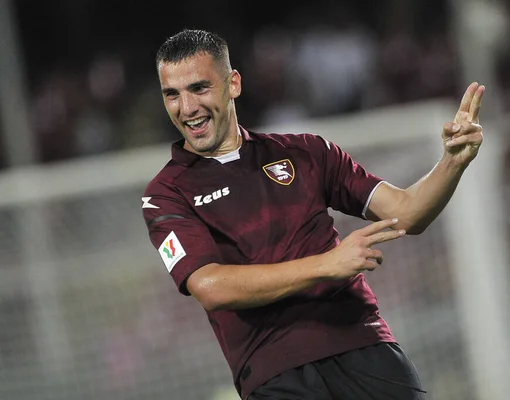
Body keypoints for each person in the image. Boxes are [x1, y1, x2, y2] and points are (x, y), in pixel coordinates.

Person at [142, 29, 485, 400]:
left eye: (199, 88)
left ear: (233, 84)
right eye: (172, 95)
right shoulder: (166, 194)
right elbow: (210, 287)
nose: (187, 107)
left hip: (364, 348)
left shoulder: (307, 153)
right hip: (276, 376)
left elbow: (407, 214)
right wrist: (327, 265)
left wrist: (452, 163)